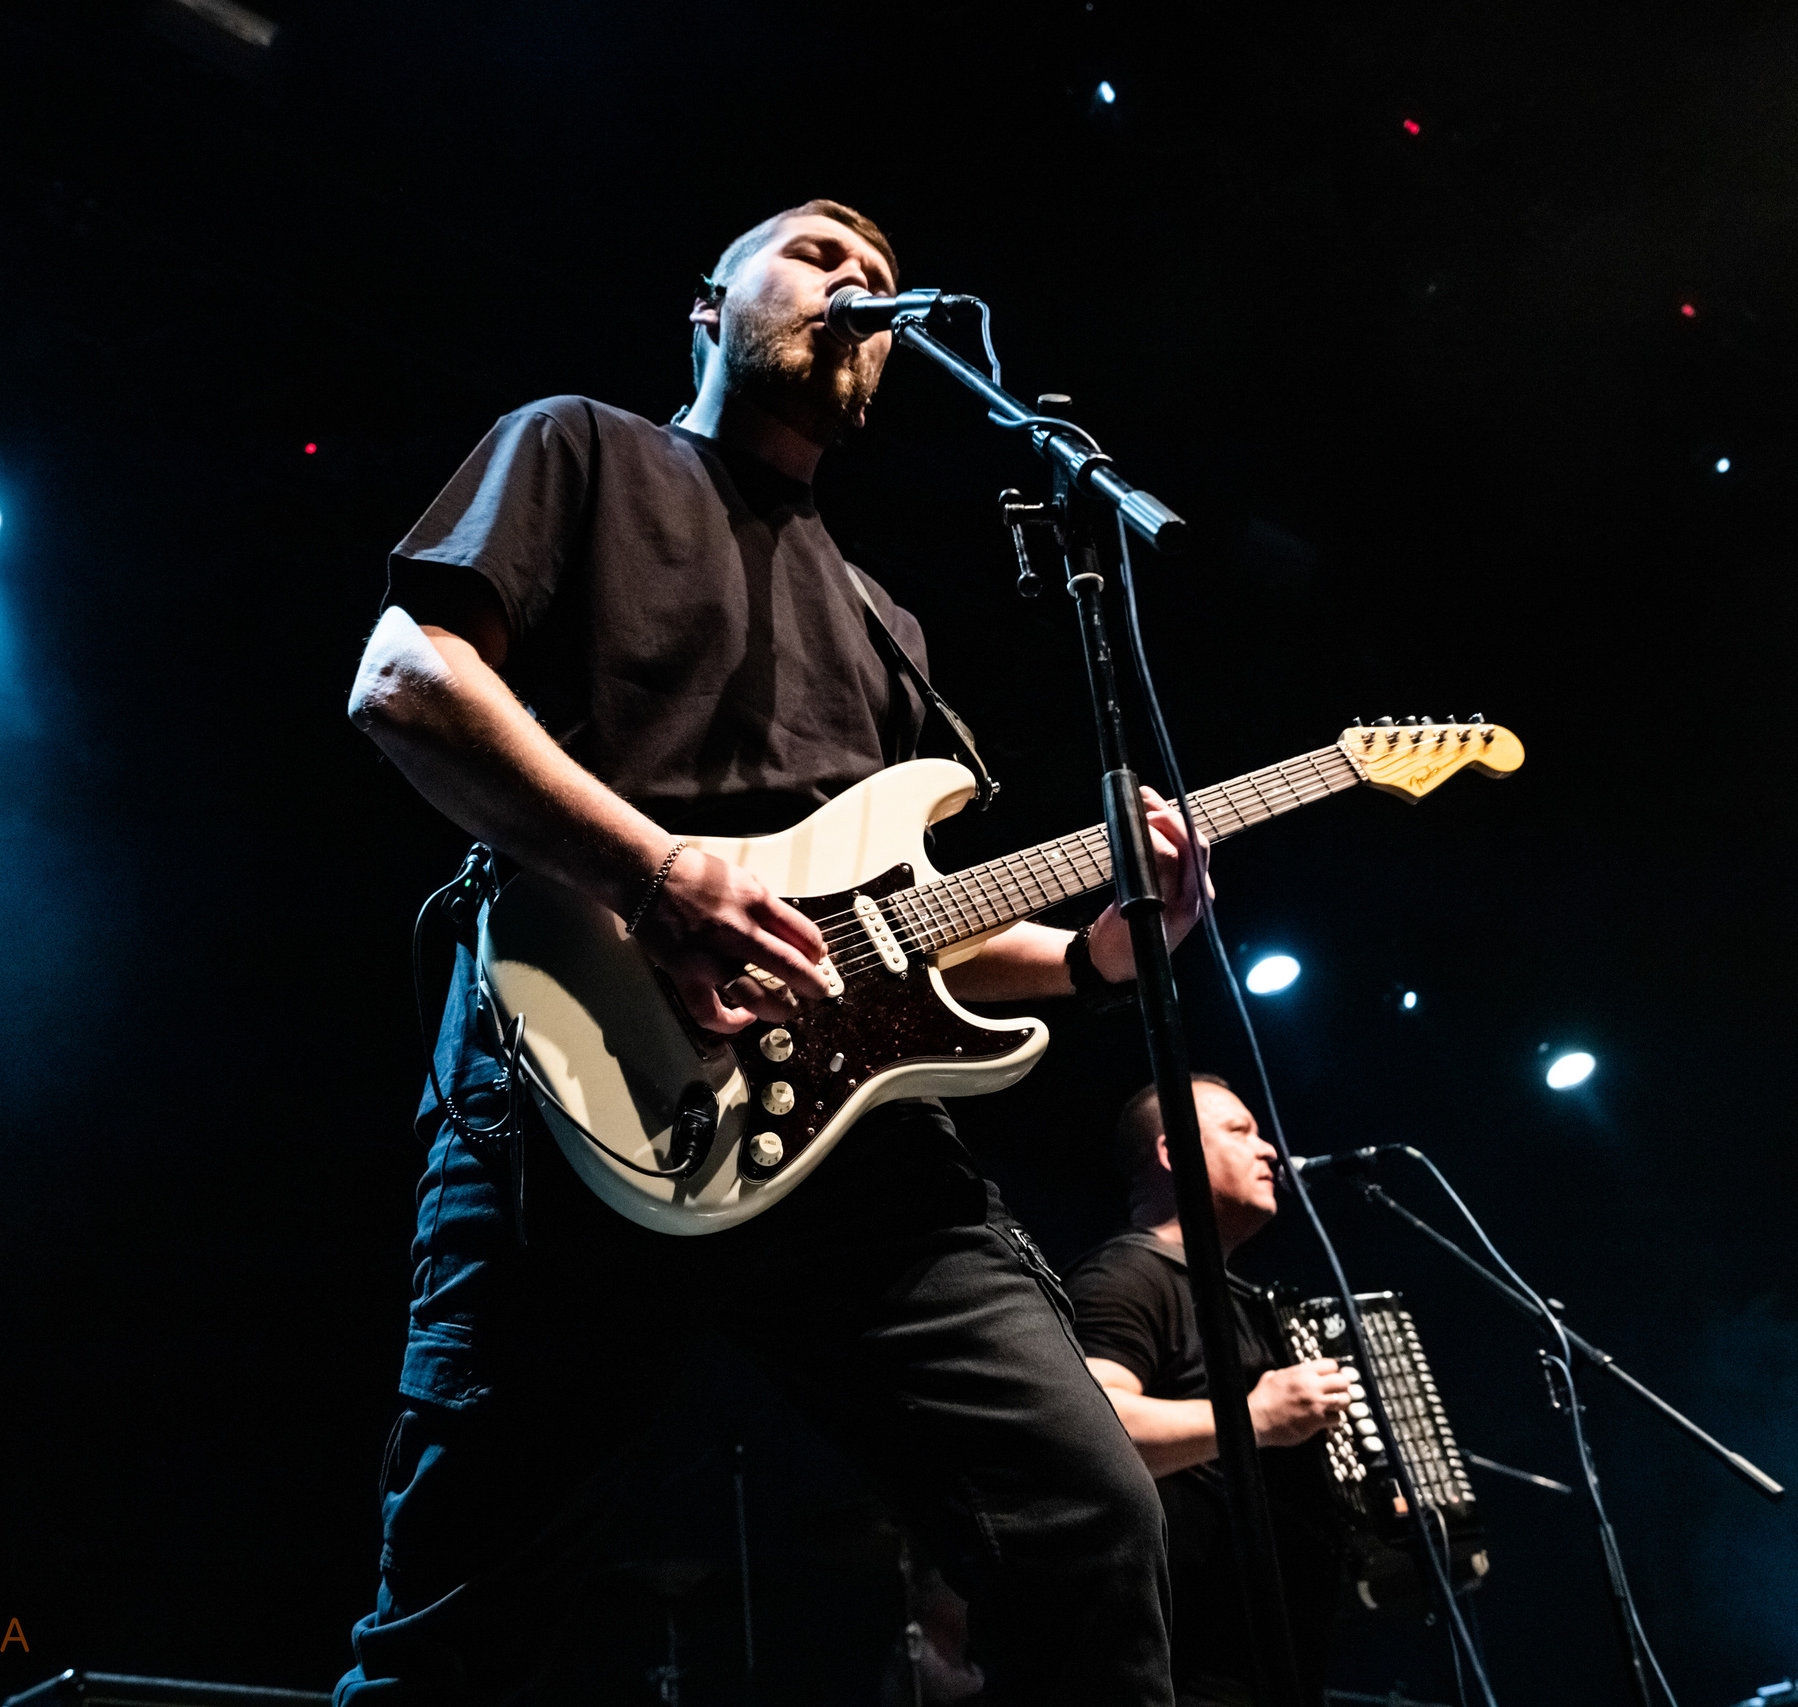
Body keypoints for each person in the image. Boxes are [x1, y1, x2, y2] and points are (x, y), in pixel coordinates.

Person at [336, 198, 1211, 1706]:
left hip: (852, 1150)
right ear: (707, 304)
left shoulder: (886, 625)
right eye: (820, 257)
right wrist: (656, 869)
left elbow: (894, 932)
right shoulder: (582, 447)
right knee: (463, 1626)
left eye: (881, 276)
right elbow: (404, 677)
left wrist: (1097, 957)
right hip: (574, 1077)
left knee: (1085, 1509)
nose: (860, 287)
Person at [1066, 1075, 1359, 1707]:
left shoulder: (1244, 1299)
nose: (1270, 1151)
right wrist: (1255, 1417)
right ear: (1174, 1154)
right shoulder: (1128, 1275)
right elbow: (1094, 1431)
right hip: (1187, 1674)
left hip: (1274, 1665)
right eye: (1239, 1132)